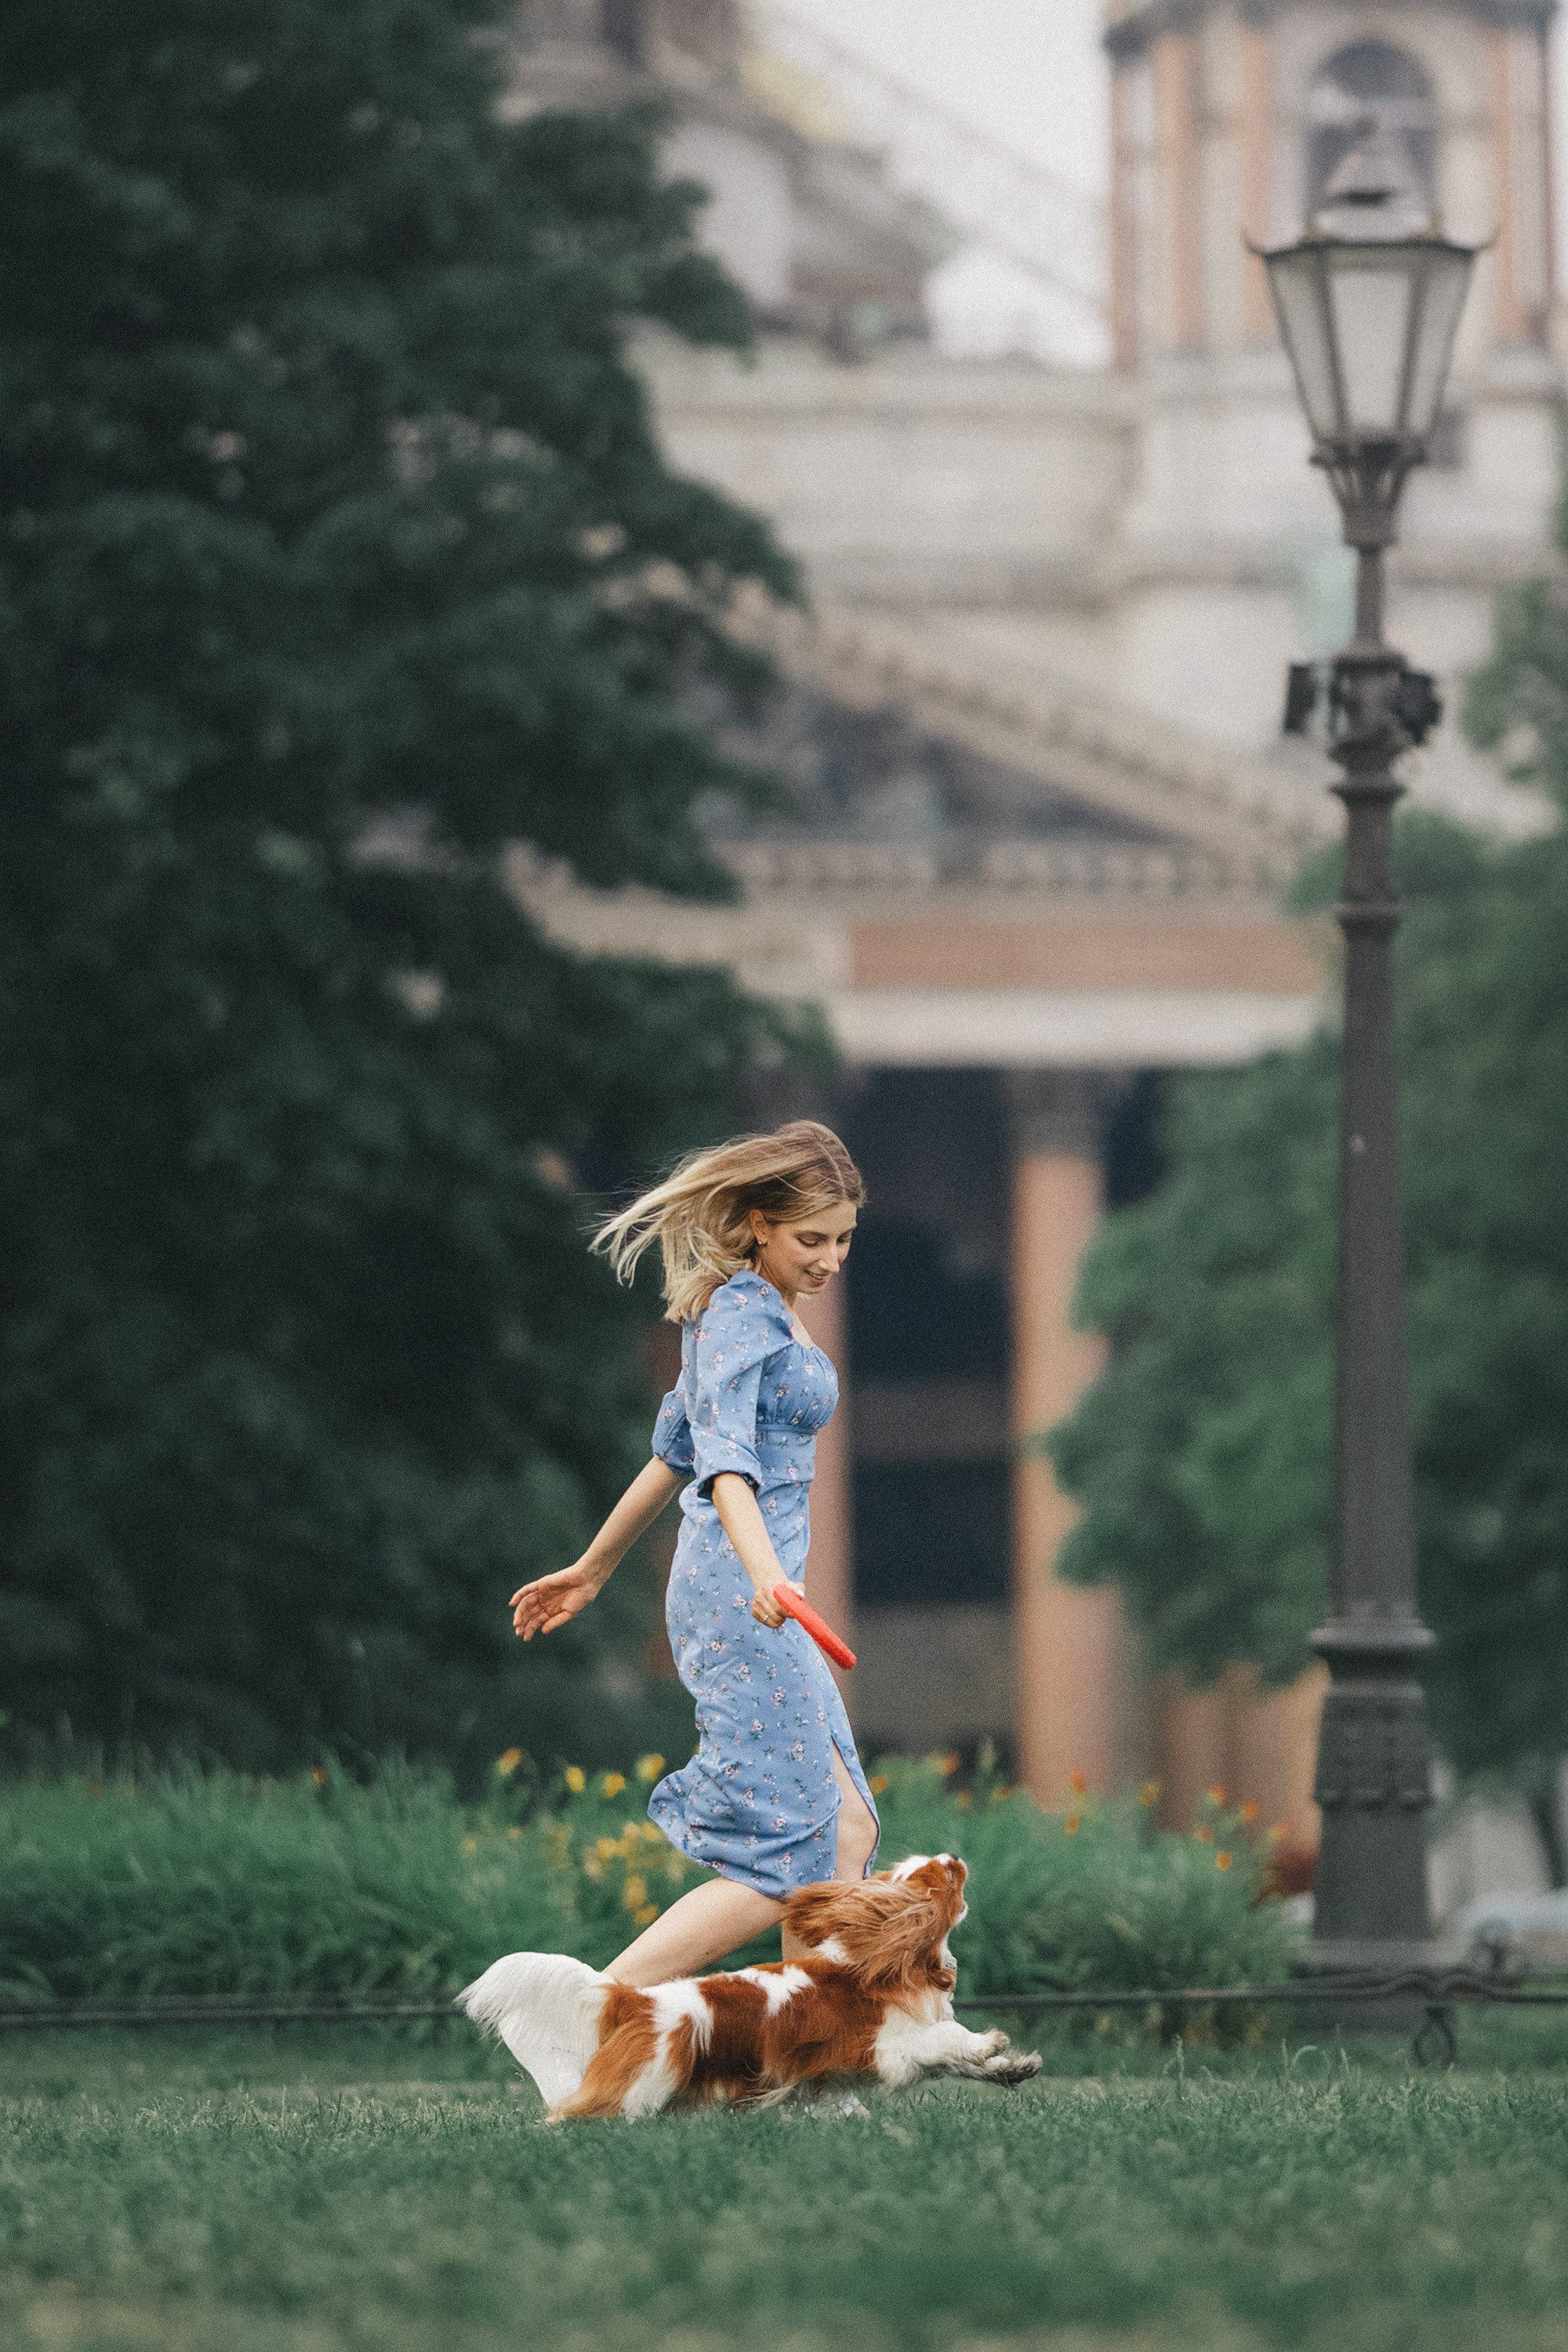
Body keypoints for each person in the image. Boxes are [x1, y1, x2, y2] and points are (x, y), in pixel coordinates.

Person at [509, 1120, 880, 1987]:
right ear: (757, 1223)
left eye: (844, 1239)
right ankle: (598, 2015)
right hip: (742, 1596)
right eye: (811, 1239)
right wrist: (767, 1577)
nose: (830, 1259)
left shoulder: (755, 1311)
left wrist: (592, 1568)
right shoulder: (740, 1312)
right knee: (788, 1856)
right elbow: (722, 1468)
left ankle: (811, 2066)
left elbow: (672, 1448)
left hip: (765, 1594)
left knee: (846, 1831)